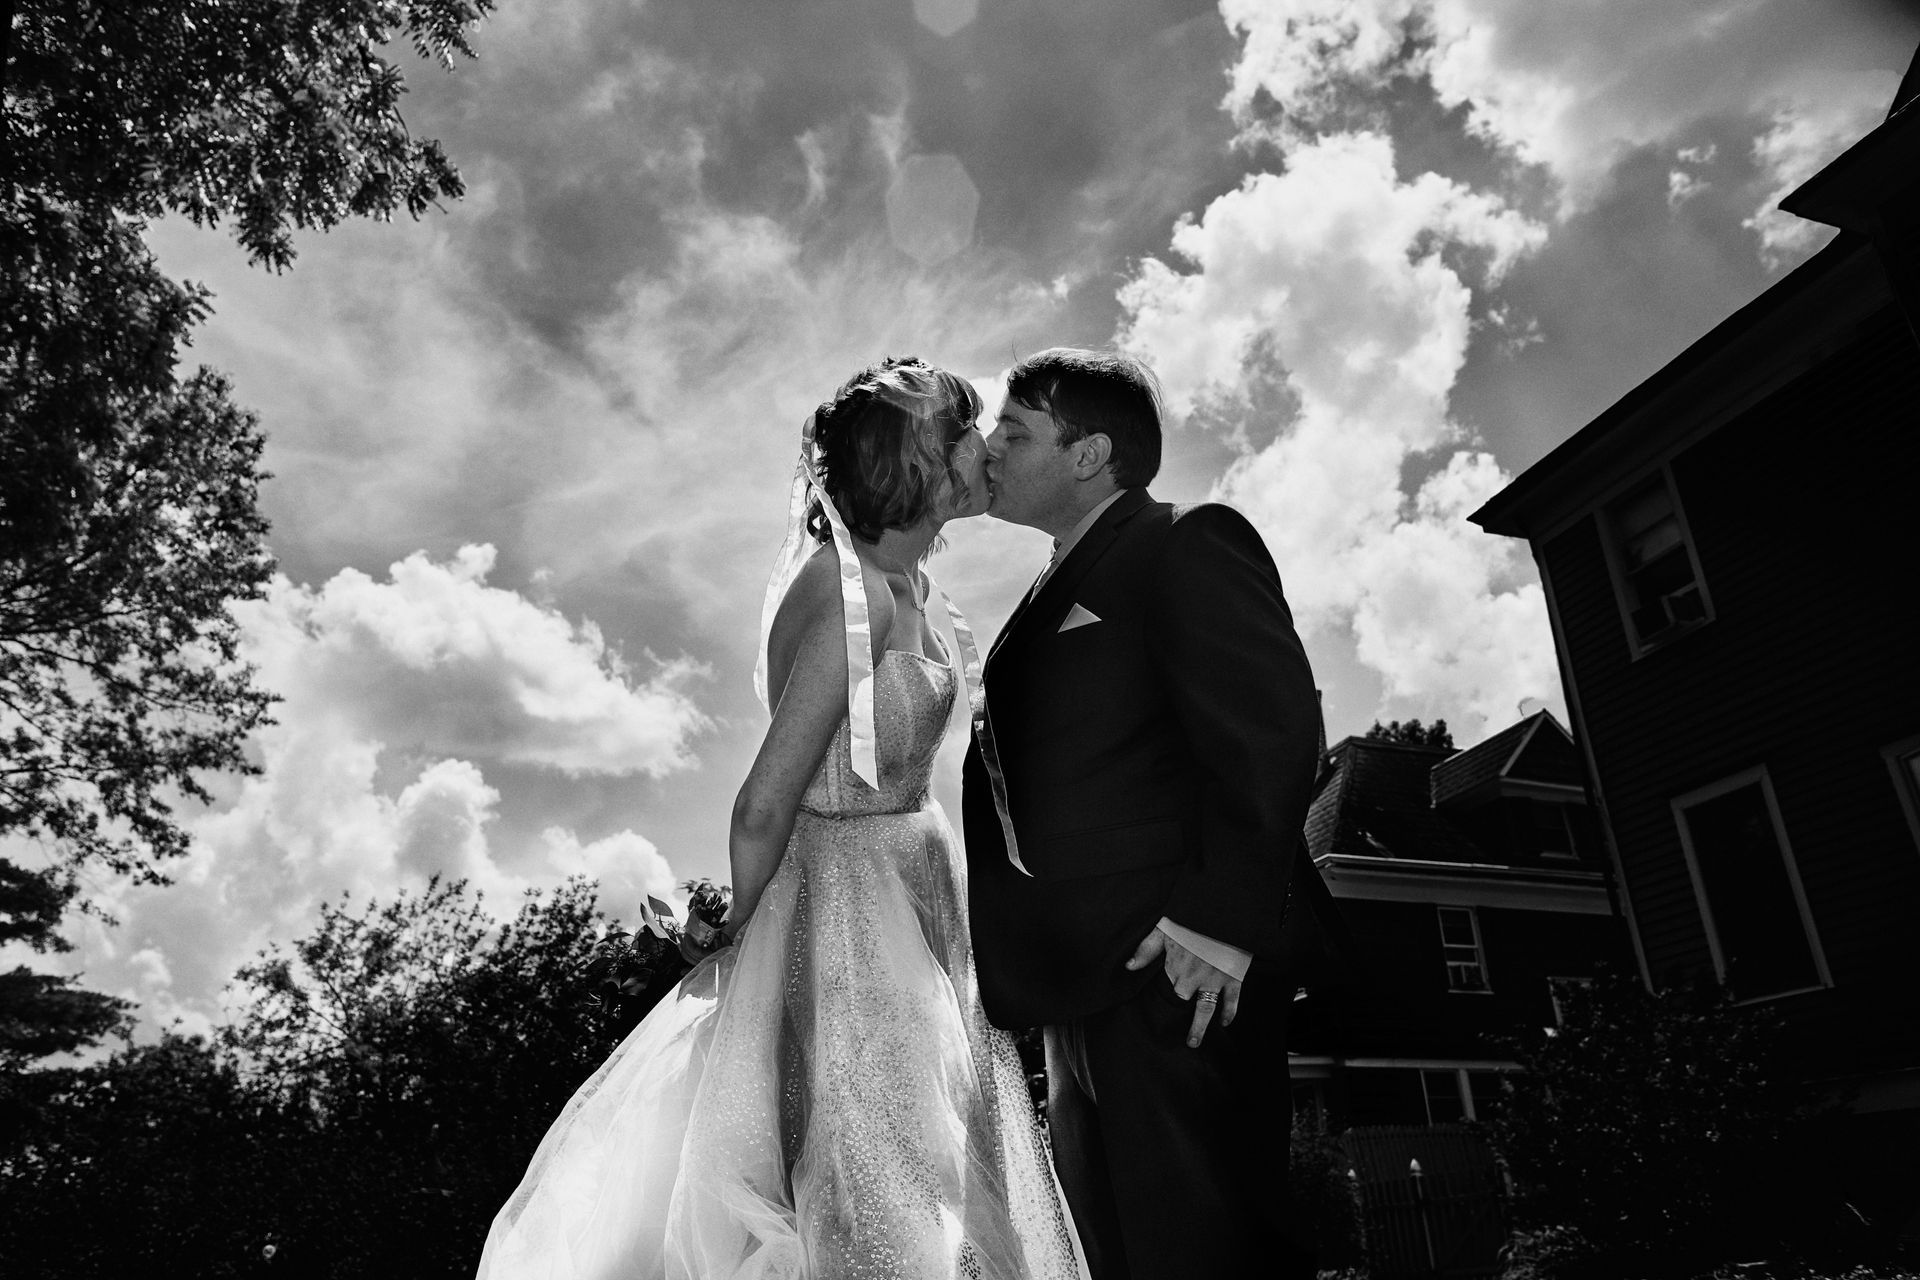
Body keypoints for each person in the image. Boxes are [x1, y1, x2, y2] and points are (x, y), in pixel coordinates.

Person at [477, 356, 1087, 1280]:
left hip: (914, 893)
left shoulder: (908, 588)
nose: (982, 444)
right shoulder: (854, 596)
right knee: (867, 1171)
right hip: (849, 910)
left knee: (925, 1168)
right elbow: (768, 796)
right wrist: (734, 916)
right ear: (912, 462)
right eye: (960, 430)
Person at [961, 347, 1334, 1278]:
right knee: (1114, 1254)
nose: (990, 451)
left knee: (1208, 1247)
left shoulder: (1189, 540)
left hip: (1182, 970)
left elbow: (1274, 729)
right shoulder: (1042, 594)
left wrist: (1216, 923)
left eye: (1014, 431)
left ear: (1088, 455)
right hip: (1080, 985)